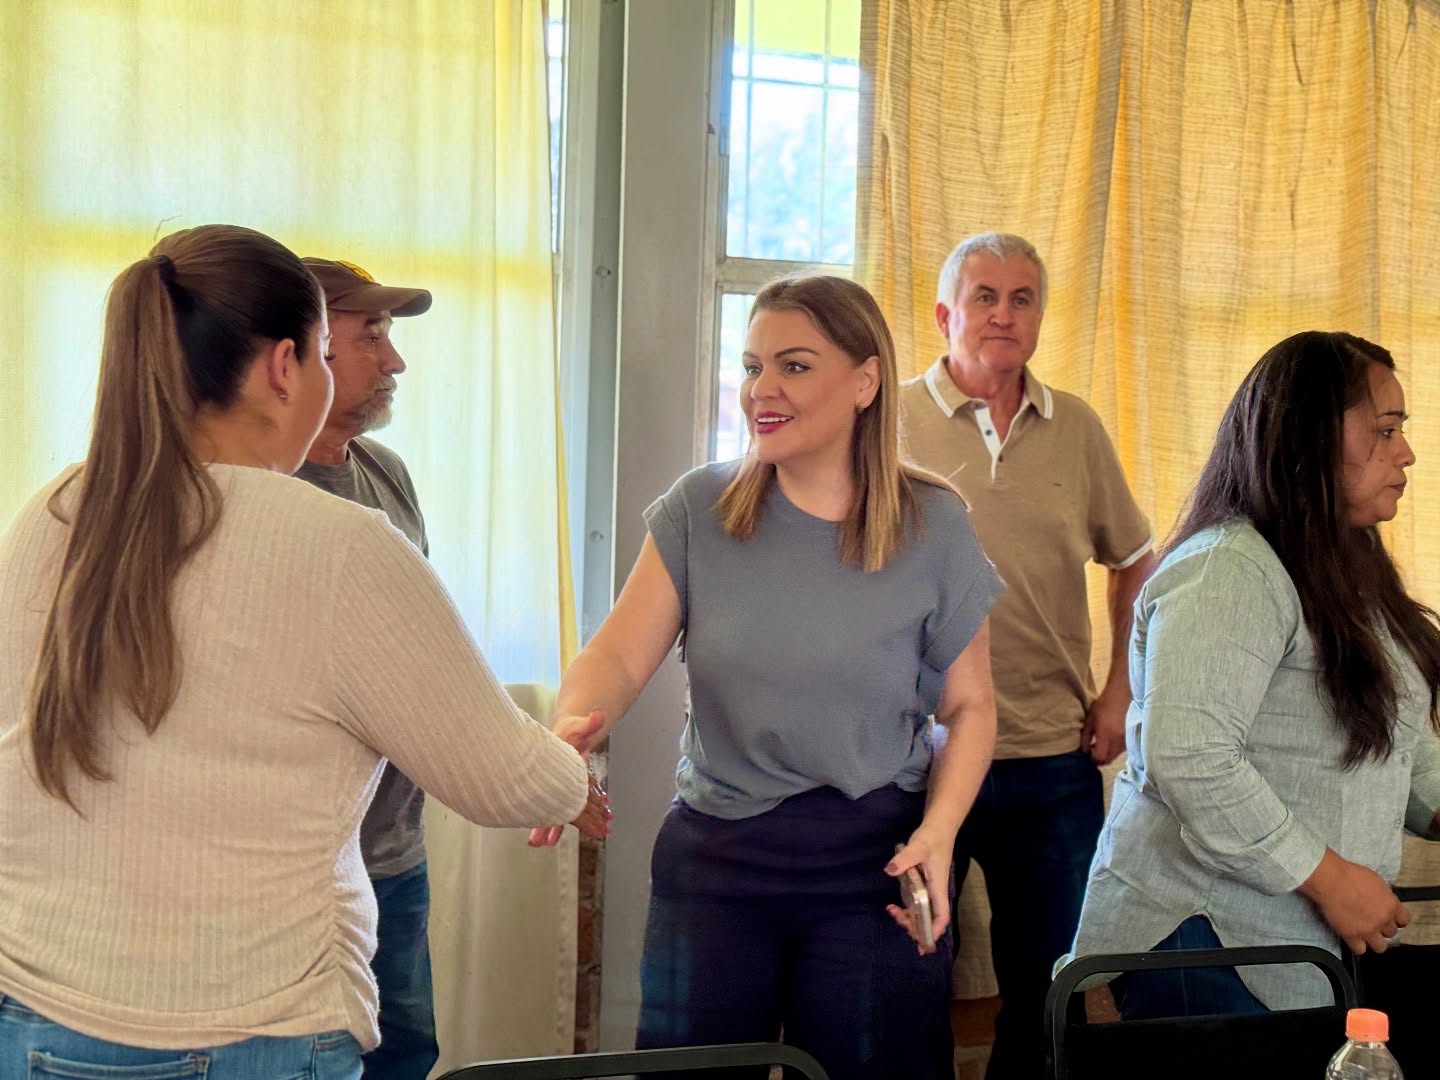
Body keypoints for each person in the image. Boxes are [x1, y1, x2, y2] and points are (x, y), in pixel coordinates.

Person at [0, 225, 608, 1079]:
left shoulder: (54, 511)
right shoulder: (337, 544)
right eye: (327, 350)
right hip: (252, 1029)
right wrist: (567, 772)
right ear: (284, 366)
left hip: (37, 1013)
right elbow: (504, 778)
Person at [531, 274, 1002, 1079]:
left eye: (794, 366)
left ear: (865, 381)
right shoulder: (700, 509)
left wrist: (941, 831)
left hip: (874, 861)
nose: (761, 390)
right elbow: (614, 658)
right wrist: (570, 732)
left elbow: (970, 706)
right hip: (717, 858)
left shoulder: (936, 526)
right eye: (752, 366)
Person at [1067, 330, 1440, 1017]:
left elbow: (1395, 738)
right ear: (1309, 438)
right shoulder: (1229, 568)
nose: (1406, 452)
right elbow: (1191, 756)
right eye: (1385, 430)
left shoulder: (1349, 567)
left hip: (1292, 949)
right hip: (1203, 935)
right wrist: (1331, 879)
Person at [897, 231, 1156, 1078]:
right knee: (907, 974)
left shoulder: (1076, 427)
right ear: (945, 315)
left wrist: (1118, 692)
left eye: (1022, 299)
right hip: (915, 758)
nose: (1003, 314)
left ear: (1040, 317)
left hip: (1052, 758)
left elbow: (1134, 560)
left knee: (1052, 990)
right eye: (984, 296)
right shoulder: (885, 422)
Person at [297, 256, 439, 1079]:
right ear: (304, 349)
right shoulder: (256, 489)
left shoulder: (387, 473)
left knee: (407, 1055)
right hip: (308, 872)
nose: (396, 361)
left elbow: (422, 649)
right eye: (372, 337)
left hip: (393, 850)